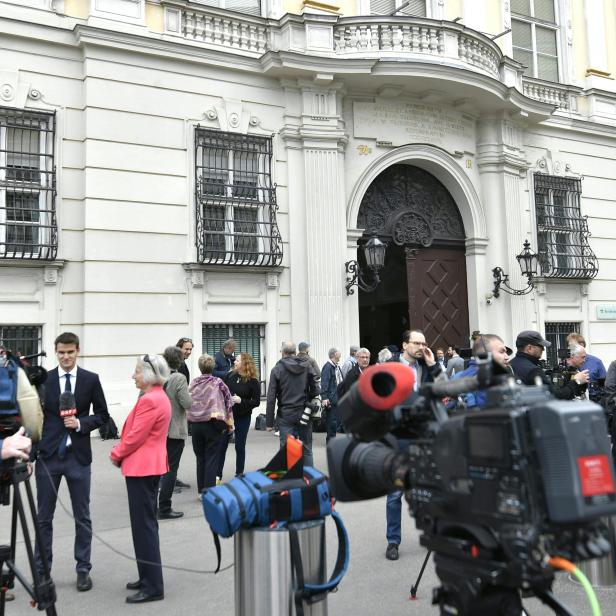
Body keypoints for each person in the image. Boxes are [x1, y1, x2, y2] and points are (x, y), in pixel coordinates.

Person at [34, 332, 108, 591]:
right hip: (48, 458)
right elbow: (34, 417)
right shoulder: (45, 380)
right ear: (56, 353)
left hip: (78, 458)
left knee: (82, 517)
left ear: (78, 351)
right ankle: (42, 572)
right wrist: (32, 452)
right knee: (43, 518)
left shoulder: (90, 380)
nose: (66, 357)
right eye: (61, 352)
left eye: (70, 352)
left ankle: (83, 569)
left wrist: (80, 423)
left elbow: (102, 416)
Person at [110, 354, 171, 604]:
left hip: (142, 467)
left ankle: (152, 585)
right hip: (149, 466)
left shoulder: (150, 400)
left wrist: (116, 453)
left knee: (143, 527)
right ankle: (147, 576)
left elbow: (136, 436)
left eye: (136, 371)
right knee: (146, 525)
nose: (133, 375)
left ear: (147, 375)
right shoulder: (158, 396)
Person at [385, 329, 446, 562]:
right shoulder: (388, 367)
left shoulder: (427, 368)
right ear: (404, 345)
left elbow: (444, 388)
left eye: (424, 342)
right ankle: (393, 540)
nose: (421, 346)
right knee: (394, 494)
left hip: (422, 437)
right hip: (396, 437)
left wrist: (434, 364)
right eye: (416, 343)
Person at [266, 341, 320, 466]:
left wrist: (269, 423)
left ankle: (288, 483)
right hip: (304, 412)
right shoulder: (306, 366)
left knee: (286, 451)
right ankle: (309, 481)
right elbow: (316, 389)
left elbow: (271, 397)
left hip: (286, 414)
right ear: (295, 352)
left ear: (283, 352)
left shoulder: (277, 369)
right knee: (306, 449)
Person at [189, 354, 234, 493]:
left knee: (200, 458)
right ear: (213, 367)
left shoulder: (193, 383)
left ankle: (201, 491)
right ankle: (208, 492)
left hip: (195, 424)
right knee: (212, 459)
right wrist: (230, 422)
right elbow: (229, 401)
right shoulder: (218, 382)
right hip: (212, 424)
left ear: (199, 367)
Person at [158, 346, 192, 520]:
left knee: (156, 467)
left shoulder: (157, 376)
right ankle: (164, 507)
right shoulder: (179, 378)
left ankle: (152, 504)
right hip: (173, 429)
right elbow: (186, 403)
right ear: (179, 361)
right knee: (170, 469)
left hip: (156, 430)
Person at [509, 330, 589, 399]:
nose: (543, 349)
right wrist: (576, 381)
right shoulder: (533, 370)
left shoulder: (510, 364)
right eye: (540, 346)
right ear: (529, 348)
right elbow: (555, 396)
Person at [217, 353, 261, 478]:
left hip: (243, 416)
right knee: (222, 445)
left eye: (237, 360)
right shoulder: (230, 376)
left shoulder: (253, 381)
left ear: (245, 363)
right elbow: (222, 392)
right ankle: (217, 475)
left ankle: (239, 474)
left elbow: (256, 401)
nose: (234, 362)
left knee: (240, 446)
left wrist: (241, 401)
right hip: (228, 416)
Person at [450, 334, 511, 410]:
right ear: (484, 355)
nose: (507, 357)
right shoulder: (492, 380)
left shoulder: (455, 377)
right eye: (502, 352)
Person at [320, 347, 343, 442]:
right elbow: (324, 383)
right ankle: (330, 440)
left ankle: (332, 439)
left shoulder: (336, 366)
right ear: (334, 355)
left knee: (335, 420)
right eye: (339, 353)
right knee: (332, 421)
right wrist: (324, 397)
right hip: (331, 398)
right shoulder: (328, 366)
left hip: (337, 397)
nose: (340, 355)